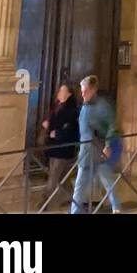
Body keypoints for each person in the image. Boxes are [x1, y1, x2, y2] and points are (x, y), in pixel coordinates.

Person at [70, 74, 121, 214]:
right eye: (81, 91)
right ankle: (75, 212)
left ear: (93, 90)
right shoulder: (85, 106)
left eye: (85, 91)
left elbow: (111, 126)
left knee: (107, 182)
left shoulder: (102, 107)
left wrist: (108, 145)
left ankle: (116, 208)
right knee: (80, 186)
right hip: (86, 152)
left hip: (98, 151)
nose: (82, 94)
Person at [42, 82, 78, 205]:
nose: (59, 93)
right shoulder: (57, 106)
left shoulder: (72, 110)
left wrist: (58, 133)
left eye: (62, 91)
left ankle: (45, 201)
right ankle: (71, 197)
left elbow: (72, 130)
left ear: (69, 94)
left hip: (63, 148)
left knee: (54, 175)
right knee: (62, 176)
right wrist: (48, 124)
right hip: (53, 146)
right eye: (59, 91)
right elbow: (54, 121)